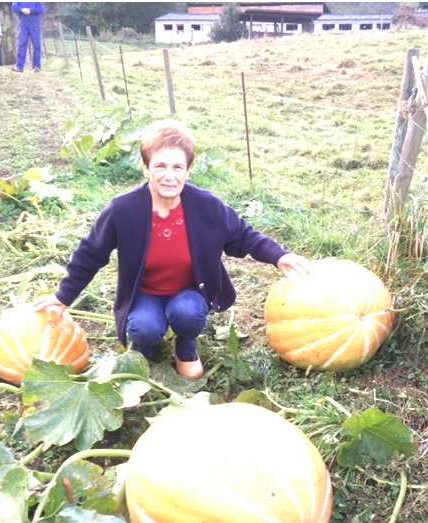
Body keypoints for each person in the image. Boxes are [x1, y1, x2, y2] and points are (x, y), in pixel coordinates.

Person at [32, 120, 310, 379]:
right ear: (145, 168)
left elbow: (243, 235)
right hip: (145, 293)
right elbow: (90, 252)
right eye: (160, 166)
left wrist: (278, 255)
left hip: (190, 290)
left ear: (188, 170)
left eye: (177, 167)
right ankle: (142, 348)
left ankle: (185, 343)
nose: (169, 176)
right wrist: (63, 295)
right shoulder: (123, 210)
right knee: (145, 327)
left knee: (188, 314)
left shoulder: (206, 206)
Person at [11, 2, 45, 73]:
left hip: (34, 25)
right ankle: (19, 66)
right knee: (21, 45)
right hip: (23, 25)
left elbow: (42, 10)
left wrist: (31, 10)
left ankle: (37, 67)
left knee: (36, 46)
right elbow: (13, 7)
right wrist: (22, 10)